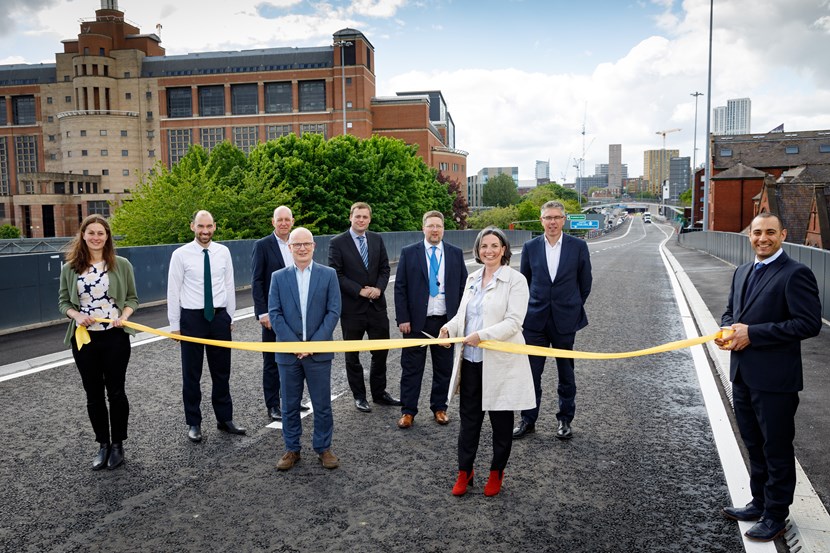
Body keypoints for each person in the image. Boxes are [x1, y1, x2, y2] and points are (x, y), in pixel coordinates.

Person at [715, 212, 821, 542]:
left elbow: (808, 324)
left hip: (776, 381)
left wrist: (753, 334)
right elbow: (732, 313)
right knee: (753, 444)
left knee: (775, 448)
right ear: (749, 236)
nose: (763, 238)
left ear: (783, 234)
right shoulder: (743, 271)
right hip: (743, 375)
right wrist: (727, 329)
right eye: (757, 232)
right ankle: (759, 502)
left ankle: (776, 514)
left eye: (770, 232)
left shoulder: (795, 274)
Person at [439, 227, 535, 497]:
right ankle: (464, 472)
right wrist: (448, 329)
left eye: (494, 245)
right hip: (470, 362)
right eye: (484, 246)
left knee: (501, 423)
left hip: (499, 364)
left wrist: (481, 336)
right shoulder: (472, 278)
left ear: (504, 249)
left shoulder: (516, 280)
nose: (489, 251)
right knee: (469, 422)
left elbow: (514, 322)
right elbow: (462, 317)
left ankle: (496, 472)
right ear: (478, 250)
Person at [59, 214, 138, 471]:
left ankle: (118, 445)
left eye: (100, 233)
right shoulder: (69, 268)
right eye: (91, 232)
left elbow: (132, 299)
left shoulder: (121, 264)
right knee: (93, 394)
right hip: (85, 339)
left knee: (116, 392)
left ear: (107, 237)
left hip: (114, 337)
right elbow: (63, 302)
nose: (95, 237)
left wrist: (123, 317)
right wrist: (76, 315)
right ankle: (103, 444)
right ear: (83, 235)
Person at [513, 200, 592, 440]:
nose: (553, 222)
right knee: (531, 373)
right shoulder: (530, 247)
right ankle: (528, 419)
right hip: (535, 321)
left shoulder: (578, 246)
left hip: (565, 320)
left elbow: (585, 283)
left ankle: (565, 420)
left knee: (566, 373)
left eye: (557, 217)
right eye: (548, 218)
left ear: (564, 219)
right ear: (541, 220)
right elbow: (524, 282)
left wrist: (571, 306)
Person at [167, 210, 246, 443]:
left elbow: (229, 284)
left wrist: (229, 317)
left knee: (222, 372)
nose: (205, 231)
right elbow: (173, 290)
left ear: (214, 226)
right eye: (201, 226)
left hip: (219, 318)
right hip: (192, 319)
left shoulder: (224, 252)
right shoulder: (180, 255)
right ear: (192, 226)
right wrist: (174, 325)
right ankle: (194, 422)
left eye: (209, 226)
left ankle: (225, 419)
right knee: (191, 374)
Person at [269, 228, 342, 471]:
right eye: (296, 244)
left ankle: (324, 448)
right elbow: (275, 314)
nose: (302, 248)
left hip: (319, 352)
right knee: (289, 404)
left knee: (322, 404)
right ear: (289, 247)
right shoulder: (278, 277)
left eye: (306, 244)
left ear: (314, 246)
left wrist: (312, 345)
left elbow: (333, 312)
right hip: (288, 354)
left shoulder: (329, 274)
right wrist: (295, 345)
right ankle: (292, 449)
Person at [394, 211, 467, 429]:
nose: (435, 230)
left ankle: (439, 408)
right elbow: (400, 288)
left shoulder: (455, 253)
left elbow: (464, 288)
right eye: (430, 226)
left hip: (445, 321)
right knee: (411, 368)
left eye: (438, 226)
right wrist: (403, 318)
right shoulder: (409, 253)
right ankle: (408, 411)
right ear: (423, 228)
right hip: (416, 322)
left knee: (443, 368)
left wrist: (459, 320)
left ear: (443, 229)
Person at [328, 202, 401, 412]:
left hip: (377, 306)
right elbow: (336, 273)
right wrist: (359, 290)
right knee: (352, 355)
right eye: (358, 216)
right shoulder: (337, 243)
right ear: (350, 217)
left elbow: (385, 268)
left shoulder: (377, 239)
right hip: (352, 309)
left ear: (369, 219)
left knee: (381, 352)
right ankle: (359, 396)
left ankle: (379, 393)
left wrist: (378, 288)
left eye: (365, 217)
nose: (361, 220)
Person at [251, 205, 308, 421]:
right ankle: (273, 405)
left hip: (297, 314)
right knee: (272, 361)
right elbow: (257, 281)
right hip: (273, 315)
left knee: (297, 359)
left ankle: (293, 400)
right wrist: (263, 313)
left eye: (287, 219)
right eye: (279, 220)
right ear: (273, 222)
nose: (284, 223)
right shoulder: (263, 246)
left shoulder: (299, 244)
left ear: (292, 221)